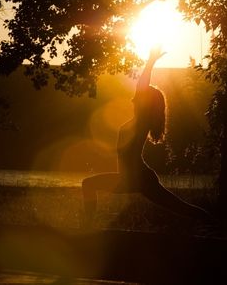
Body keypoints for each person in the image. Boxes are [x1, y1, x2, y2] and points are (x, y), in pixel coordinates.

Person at [82, 48, 210, 225]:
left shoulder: (142, 122)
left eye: (139, 97)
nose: (134, 98)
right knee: (88, 184)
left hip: (139, 178)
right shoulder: (138, 121)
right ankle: (87, 224)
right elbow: (141, 89)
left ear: (145, 103)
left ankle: (212, 221)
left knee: (179, 207)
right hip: (130, 178)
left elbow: (141, 85)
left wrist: (150, 62)